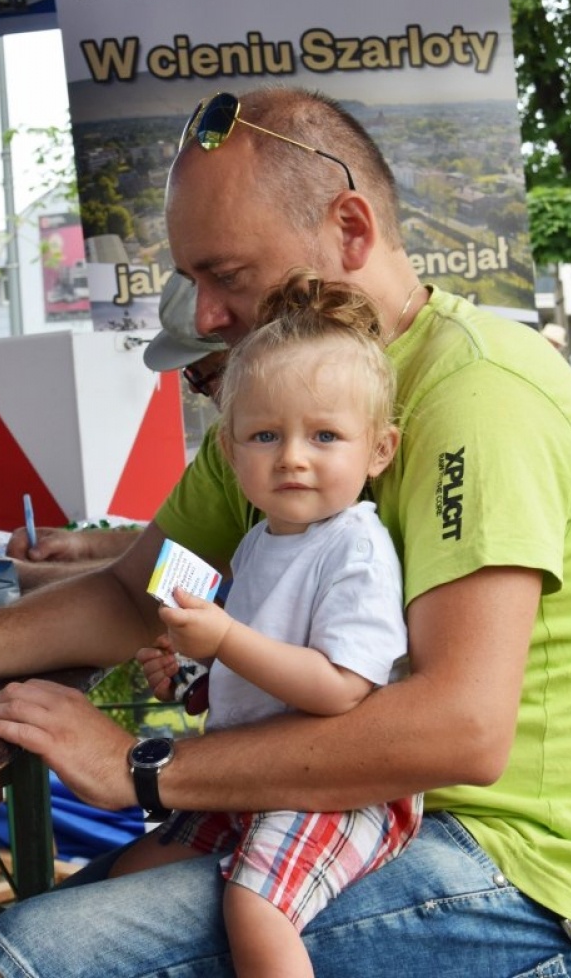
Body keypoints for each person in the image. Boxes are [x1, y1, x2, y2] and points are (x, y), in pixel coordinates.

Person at [0, 86, 571, 978]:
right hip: (345, 812)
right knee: (44, 925)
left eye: (228, 276)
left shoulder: (479, 393)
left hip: (510, 868)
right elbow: (133, 590)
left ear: (352, 230)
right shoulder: (281, 400)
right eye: (195, 281)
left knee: (13, 963)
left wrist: (142, 769)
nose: (206, 316)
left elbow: (460, 730)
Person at [112, 272, 420, 978]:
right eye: (264, 434)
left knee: (256, 908)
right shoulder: (258, 542)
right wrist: (189, 674)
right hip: (254, 771)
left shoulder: (355, 547)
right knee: (128, 871)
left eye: (325, 435)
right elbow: (248, 669)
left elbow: (343, 687)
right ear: (229, 451)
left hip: (340, 787)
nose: (292, 457)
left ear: (379, 450)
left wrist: (225, 640)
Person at [5, 271, 225, 567]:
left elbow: (206, 567)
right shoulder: (224, 445)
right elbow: (181, 542)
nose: (198, 391)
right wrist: (83, 545)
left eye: (203, 375)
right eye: (192, 376)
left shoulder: (272, 455)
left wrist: (21, 577)